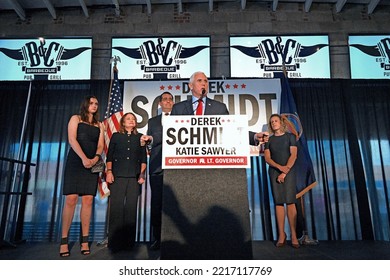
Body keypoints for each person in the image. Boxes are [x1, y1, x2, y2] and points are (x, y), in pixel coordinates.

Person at [60, 95, 105, 257]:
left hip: (92, 163)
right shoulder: (76, 118)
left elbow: (100, 145)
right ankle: (64, 241)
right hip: (75, 161)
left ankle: (84, 241)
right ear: (86, 104)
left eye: (96, 104)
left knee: (88, 200)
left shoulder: (99, 125)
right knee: (71, 199)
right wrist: (84, 158)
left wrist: (95, 158)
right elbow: (72, 140)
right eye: (91, 103)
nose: (94, 106)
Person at [170, 71, 265, 144]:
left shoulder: (219, 108)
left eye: (206, 81)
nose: (204, 84)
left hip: (212, 160)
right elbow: (169, 134)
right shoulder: (178, 108)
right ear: (190, 85)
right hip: (185, 160)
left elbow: (231, 129)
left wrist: (254, 136)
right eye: (199, 81)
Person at [105, 112, 147, 252]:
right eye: (128, 119)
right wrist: (109, 172)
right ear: (123, 122)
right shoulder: (116, 136)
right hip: (117, 176)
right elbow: (109, 155)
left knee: (130, 209)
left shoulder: (140, 137)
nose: (131, 121)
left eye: (133, 119)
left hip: (134, 177)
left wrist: (141, 174)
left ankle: (129, 244)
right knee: (116, 208)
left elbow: (143, 158)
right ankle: (114, 244)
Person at [140, 91, 174, 251]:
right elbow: (149, 144)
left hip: (176, 168)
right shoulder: (152, 122)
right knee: (156, 204)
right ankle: (157, 238)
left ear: (173, 103)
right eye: (165, 100)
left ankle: (174, 239)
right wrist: (148, 142)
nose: (167, 102)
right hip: (157, 167)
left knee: (174, 206)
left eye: (170, 99)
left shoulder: (180, 119)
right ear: (160, 104)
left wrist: (154, 140)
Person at [264, 113, 299, 249]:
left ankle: (294, 235)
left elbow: (294, 155)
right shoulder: (269, 140)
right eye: (271, 122)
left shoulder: (290, 137)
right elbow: (267, 158)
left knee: (290, 201)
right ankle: (281, 235)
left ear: (281, 122)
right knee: (278, 202)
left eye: (276, 121)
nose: (274, 123)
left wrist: (285, 171)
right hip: (274, 172)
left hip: (289, 172)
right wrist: (280, 169)